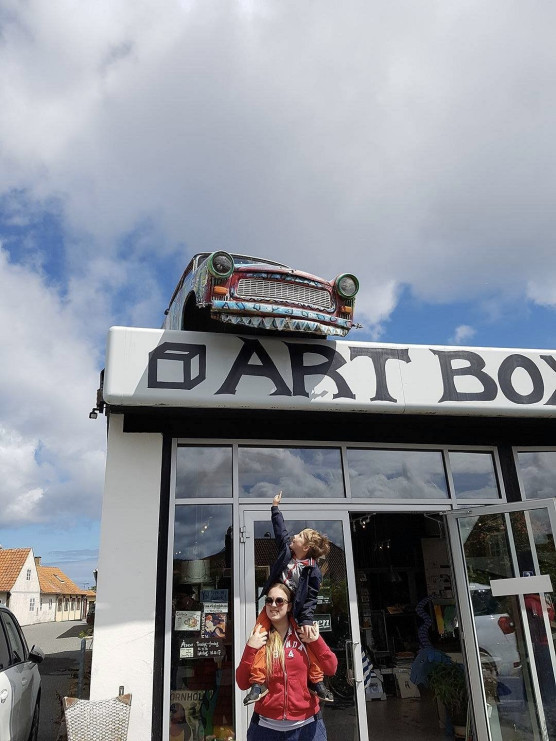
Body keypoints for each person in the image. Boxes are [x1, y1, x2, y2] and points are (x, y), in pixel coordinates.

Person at [243, 492, 333, 705]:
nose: (294, 537)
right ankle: (257, 684)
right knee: (258, 636)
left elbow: (311, 598)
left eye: (299, 536)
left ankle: (317, 682)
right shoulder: (286, 551)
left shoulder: (313, 571)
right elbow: (280, 530)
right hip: (277, 603)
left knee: (309, 640)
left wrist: (308, 620)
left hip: (298, 611)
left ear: (306, 548)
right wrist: (275, 508)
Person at [236, 583, 337, 740]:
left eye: (279, 601)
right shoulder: (259, 636)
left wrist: (316, 641)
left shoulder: (303, 634)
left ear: (289, 606)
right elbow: (242, 683)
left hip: (307, 728)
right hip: (264, 729)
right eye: (269, 600)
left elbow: (331, 668)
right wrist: (250, 647)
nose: (273, 605)